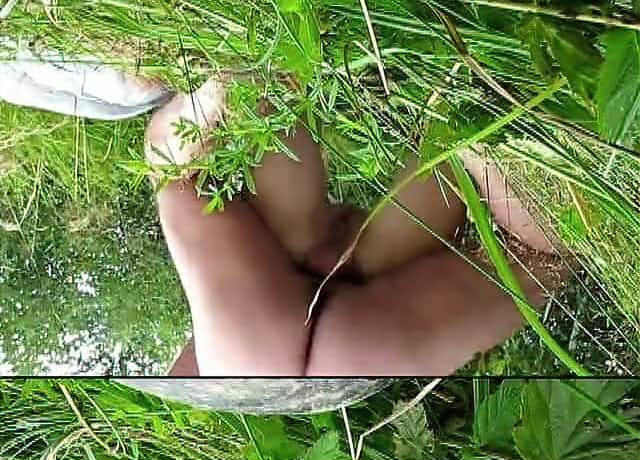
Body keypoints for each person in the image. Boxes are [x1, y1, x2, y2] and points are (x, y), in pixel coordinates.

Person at [145, 78, 561, 376]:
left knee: (538, 261)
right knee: (178, 171)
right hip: (244, 356)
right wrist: (206, 99)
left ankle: (481, 102)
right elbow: (171, 173)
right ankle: (243, 76)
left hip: (339, 363)